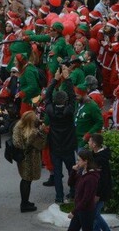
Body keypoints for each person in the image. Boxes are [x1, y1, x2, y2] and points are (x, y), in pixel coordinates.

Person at [44, 67, 77, 203]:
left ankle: (59, 197)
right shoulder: (69, 111)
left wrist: (55, 80)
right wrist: (67, 78)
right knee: (72, 171)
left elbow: (47, 96)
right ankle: (73, 193)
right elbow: (73, 97)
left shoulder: (50, 110)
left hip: (55, 146)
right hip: (68, 146)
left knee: (57, 173)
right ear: (65, 101)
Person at [12, 111, 47, 212]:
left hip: (24, 159)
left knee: (27, 180)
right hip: (27, 159)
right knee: (26, 180)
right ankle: (24, 204)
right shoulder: (31, 131)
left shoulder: (18, 126)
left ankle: (25, 201)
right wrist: (41, 132)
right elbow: (41, 145)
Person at [67, 150, 100, 231]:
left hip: (86, 212)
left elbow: (86, 198)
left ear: (85, 161)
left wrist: (74, 212)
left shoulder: (91, 178)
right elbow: (70, 183)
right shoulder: (82, 172)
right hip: (79, 208)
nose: (77, 162)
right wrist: (74, 170)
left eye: (79, 160)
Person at [88, 134, 112, 231]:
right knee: (94, 215)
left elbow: (102, 179)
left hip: (100, 192)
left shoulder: (100, 159)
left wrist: (97, 194)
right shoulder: (94, 155)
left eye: (89, 141)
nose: (88, 143)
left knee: (94, 214)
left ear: (94, 144)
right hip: (96, 191)